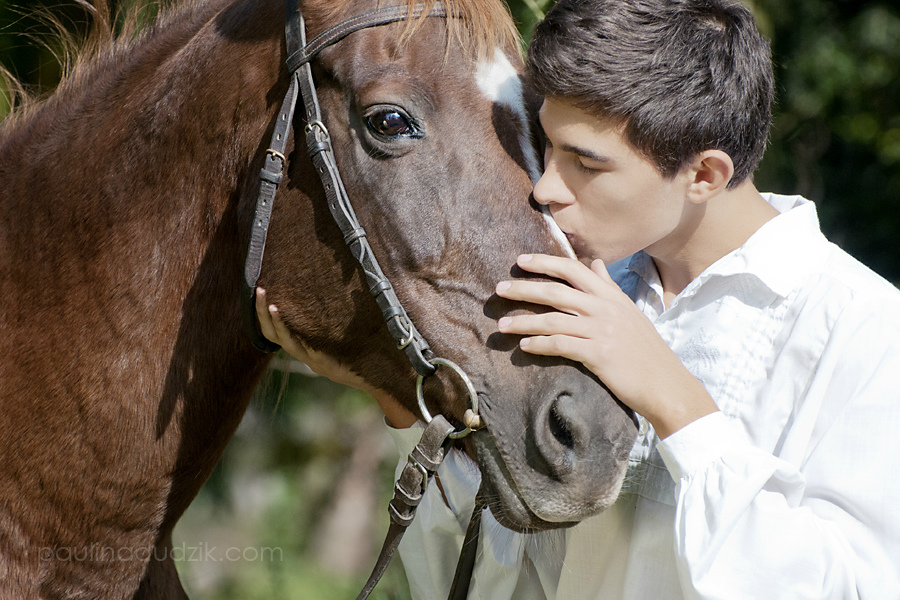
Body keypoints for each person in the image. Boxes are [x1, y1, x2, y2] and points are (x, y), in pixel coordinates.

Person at [257, 0, 900, 597]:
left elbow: (857, 585)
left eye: (585, 163)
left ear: (704, 175)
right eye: (547, 147)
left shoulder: (865, 330)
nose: (544, 190)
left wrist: (677, 406)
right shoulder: (573, 283)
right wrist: (397, 398)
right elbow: (475, 581)